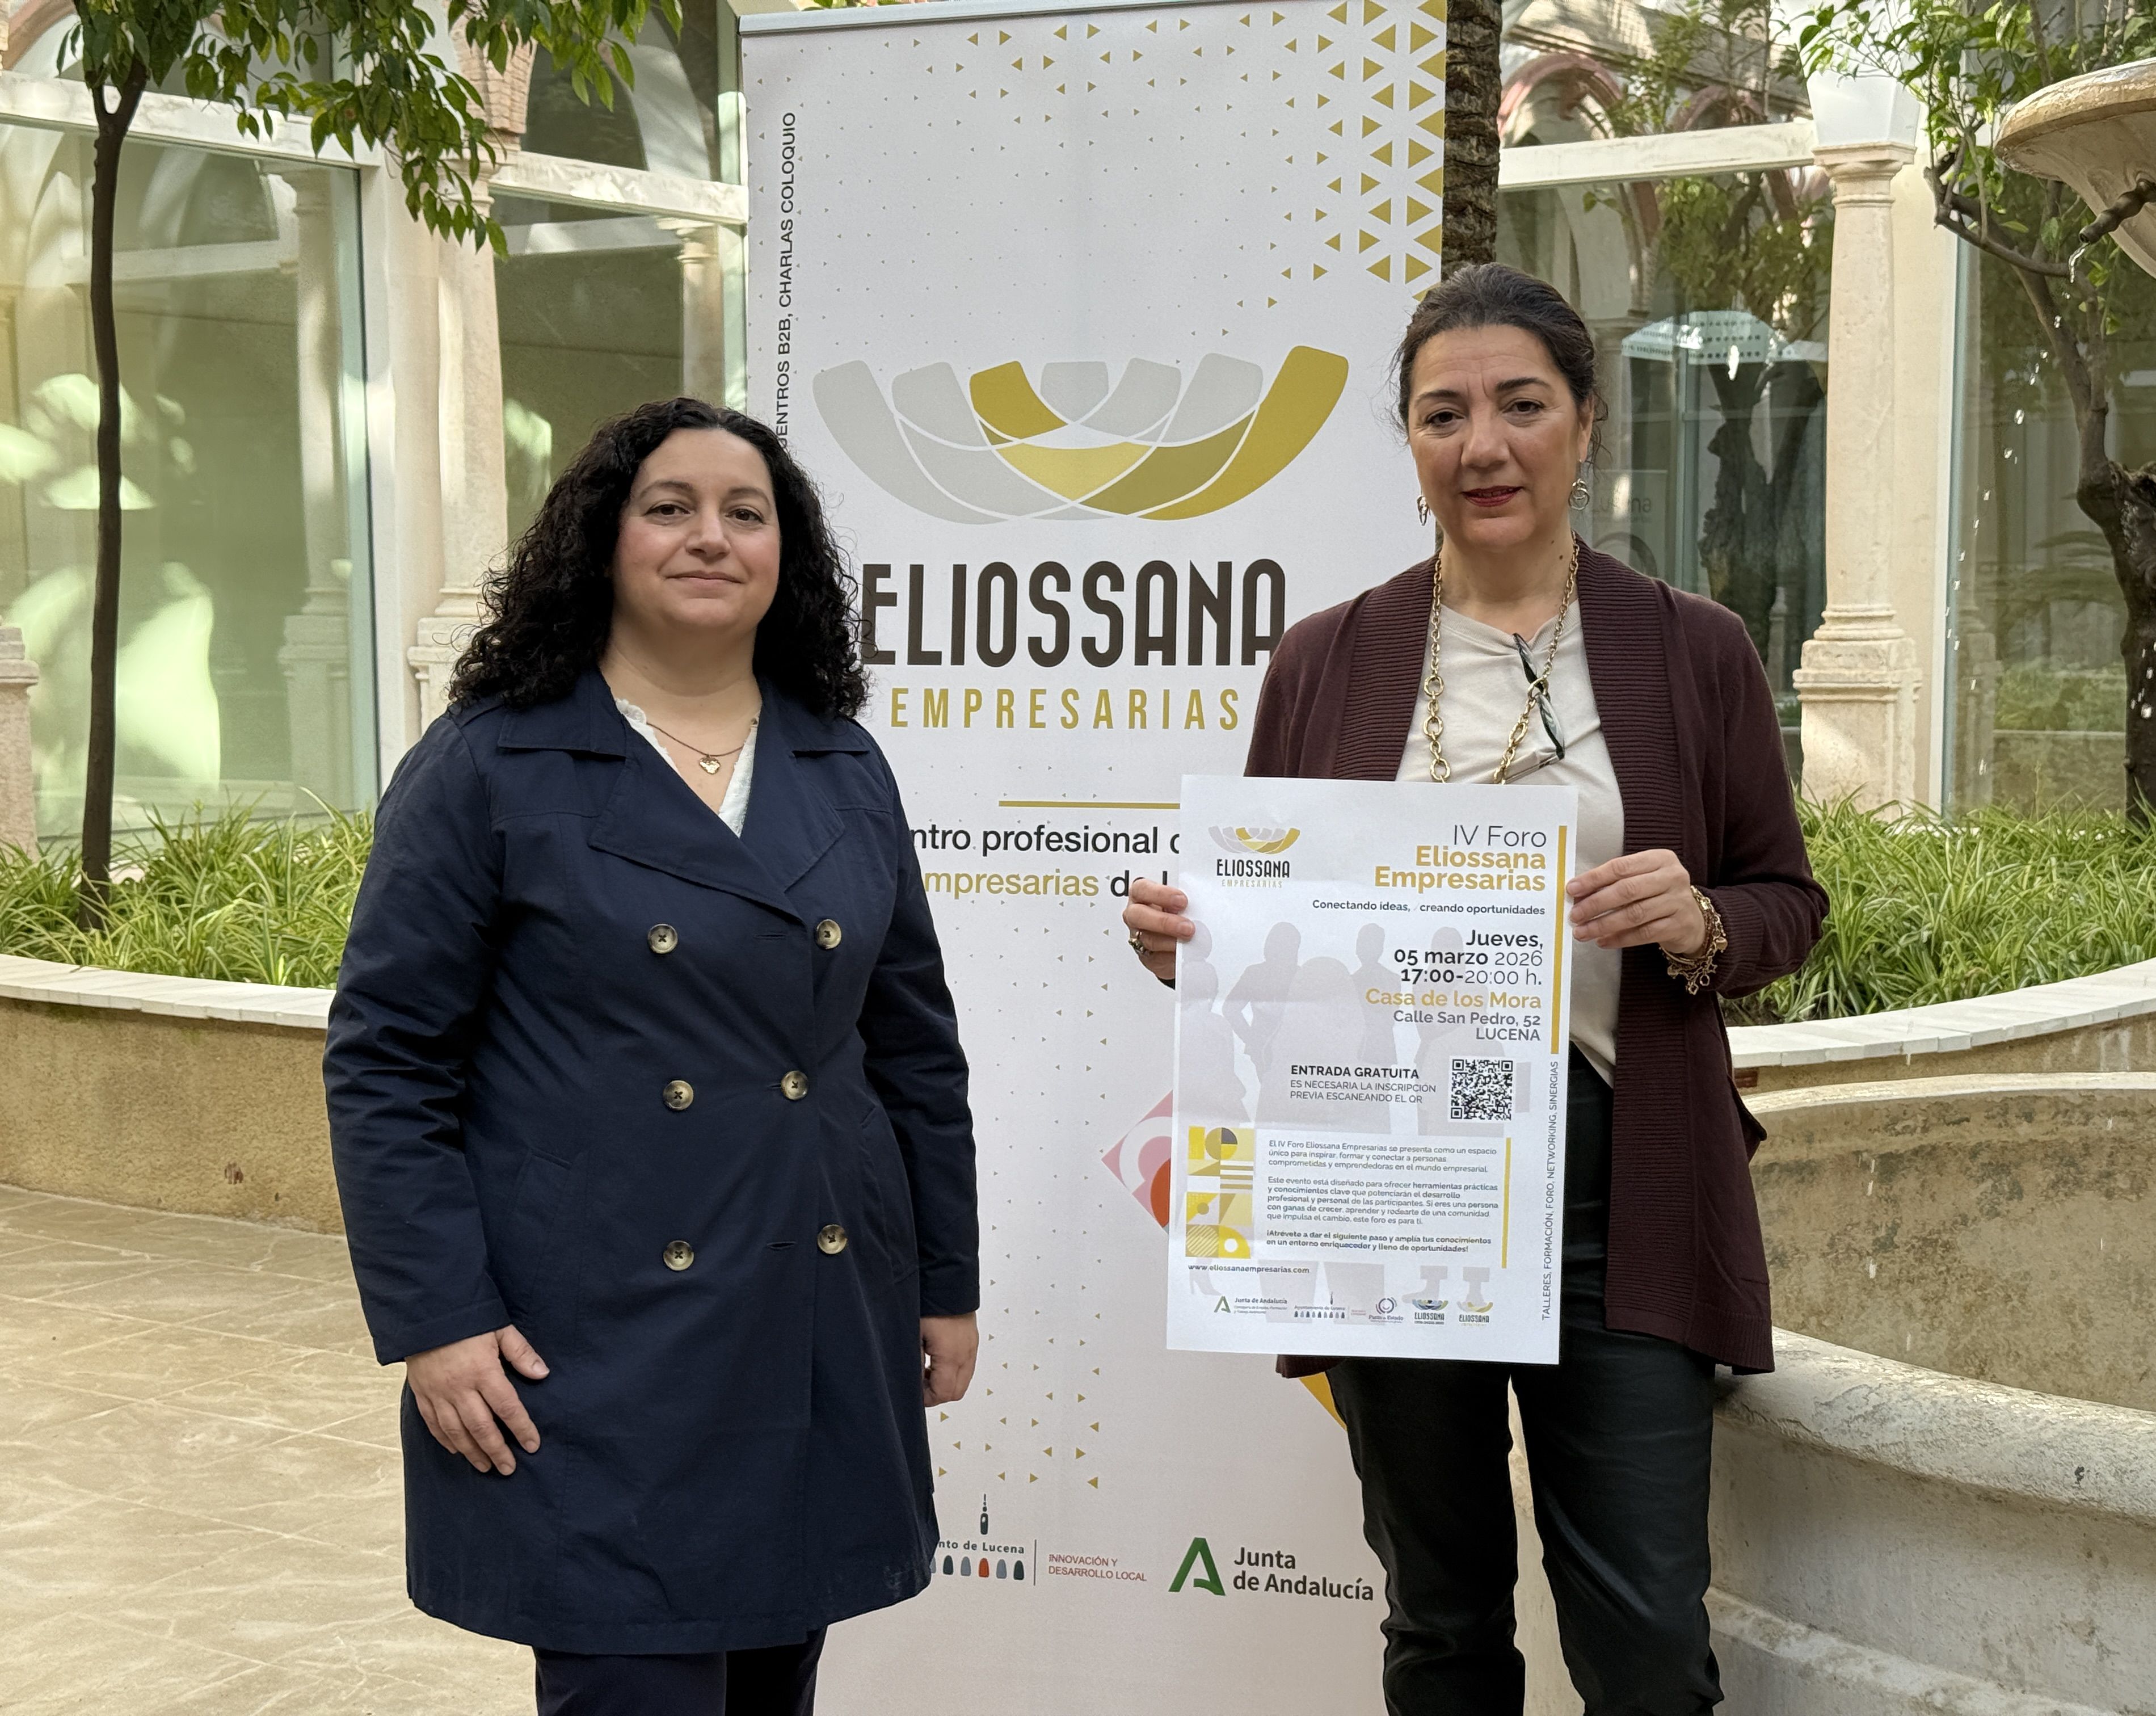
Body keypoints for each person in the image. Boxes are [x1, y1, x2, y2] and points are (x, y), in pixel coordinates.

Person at [1122, 264, 1827, 1716]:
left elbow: (1786, 901)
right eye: (1443, 414)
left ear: (1586, 426)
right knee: (1439, 1624)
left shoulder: (1696, 649)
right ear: (1410, 441)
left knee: (1644, 1642)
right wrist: (1198, 943)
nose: (1483, 444)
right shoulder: (1328, 658)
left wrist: (1698, 919)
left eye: (1520, 405)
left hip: (1617, 1188)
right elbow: (1269, 920)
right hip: (1393, 1185)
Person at [326, 397, 980, 1716]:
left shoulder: (842, 764)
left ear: (786, 554)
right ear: (601, 539)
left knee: (769, 1678)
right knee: (631, 1676)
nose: (710, 537)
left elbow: (913, 1048)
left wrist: (946, 1283)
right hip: (593, 1333)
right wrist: (436, 1319)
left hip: (814, 1303)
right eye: (669, 507)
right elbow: (389, 1058)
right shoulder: (491, 759)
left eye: (748, 514)